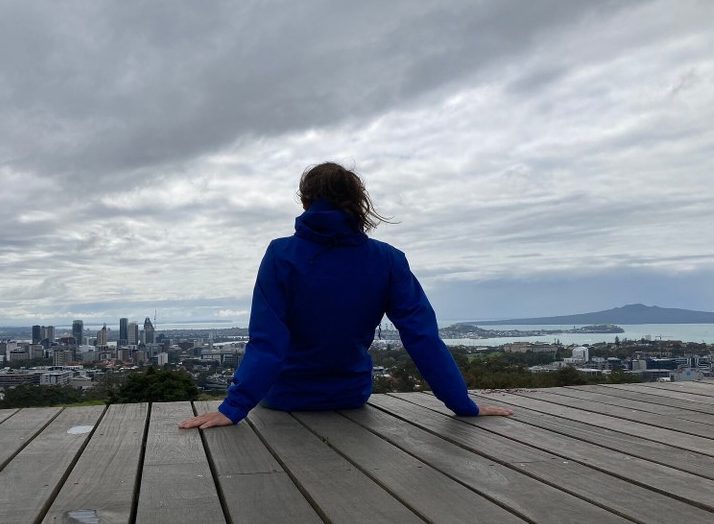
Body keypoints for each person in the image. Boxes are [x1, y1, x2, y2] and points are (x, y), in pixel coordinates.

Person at [178, 162, 512, 429]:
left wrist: (233, 407)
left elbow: (267, 341)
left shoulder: (281, 255)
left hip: (284, 397)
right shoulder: (388, 259)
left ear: (305, 202)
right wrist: (462, 404)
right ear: (357, 203)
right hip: (351, 395)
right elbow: (422, 338)